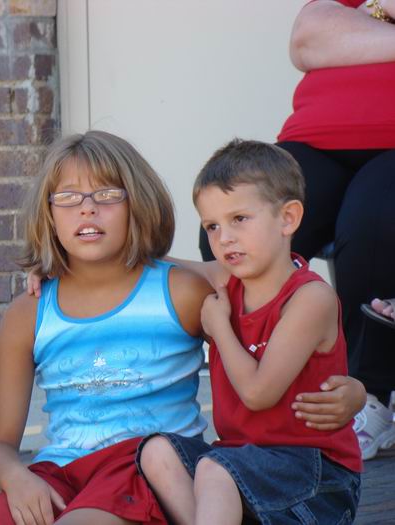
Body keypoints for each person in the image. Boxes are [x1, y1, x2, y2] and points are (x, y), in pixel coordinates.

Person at [0, 131, 362, 525]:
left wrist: (356, 391)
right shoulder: (28, 313)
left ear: (137, 203)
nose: (87, 210)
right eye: (69, 198)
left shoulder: (186, 291)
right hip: (56, 475)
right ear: (49, 213)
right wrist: (16, 479)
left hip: (140, 472)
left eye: (107, 195)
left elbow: (278, 307)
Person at [199, 0, 395, 460]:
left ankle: (368, 392)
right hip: (315, 140)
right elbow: (307, 39)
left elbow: (330, 39)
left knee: (372, 224)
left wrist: (361, 33)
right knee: (235, 220)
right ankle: (264, 374)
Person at [140, 139, 362, 525]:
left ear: (288, 218)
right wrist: (61, 268)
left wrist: (219, 329)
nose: (224, 237)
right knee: (157, 451)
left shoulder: (310, 298)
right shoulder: (226, 281)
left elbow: (259, 393)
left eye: (239, 219)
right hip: (244, 466)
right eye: (212, 226)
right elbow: (149, 265)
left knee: (215, 468)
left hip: (317, 478)